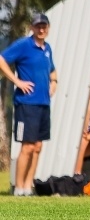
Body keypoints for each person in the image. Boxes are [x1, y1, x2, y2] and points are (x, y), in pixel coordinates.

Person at [0, 13, 57, 196]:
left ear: (48, 28)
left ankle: (28, 186)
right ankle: (19, 188)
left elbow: (53, 72)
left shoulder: (47, 48)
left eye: (44, 26)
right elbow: (1, 59)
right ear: (32, 28)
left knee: (38, 146)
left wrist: (54, 83)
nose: (41, 29)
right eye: (38, 26)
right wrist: (18, 82)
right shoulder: (24, 45)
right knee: (28, 146)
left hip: (43, 104)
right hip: (27, 104)